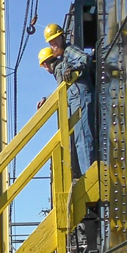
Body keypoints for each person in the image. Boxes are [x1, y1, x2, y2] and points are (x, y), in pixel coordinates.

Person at [43, 23, 95, 176]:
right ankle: (87, 174)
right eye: (50, 43)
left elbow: (84, 59)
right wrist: (47, 99)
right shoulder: (64, 58)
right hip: (75, 101)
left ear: (62, 37)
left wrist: (74, 68)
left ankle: (90, 175)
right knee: (79, 141)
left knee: (84, 139)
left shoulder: (69, 51)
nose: (53, 45)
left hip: (81, 98)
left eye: (55, 41)